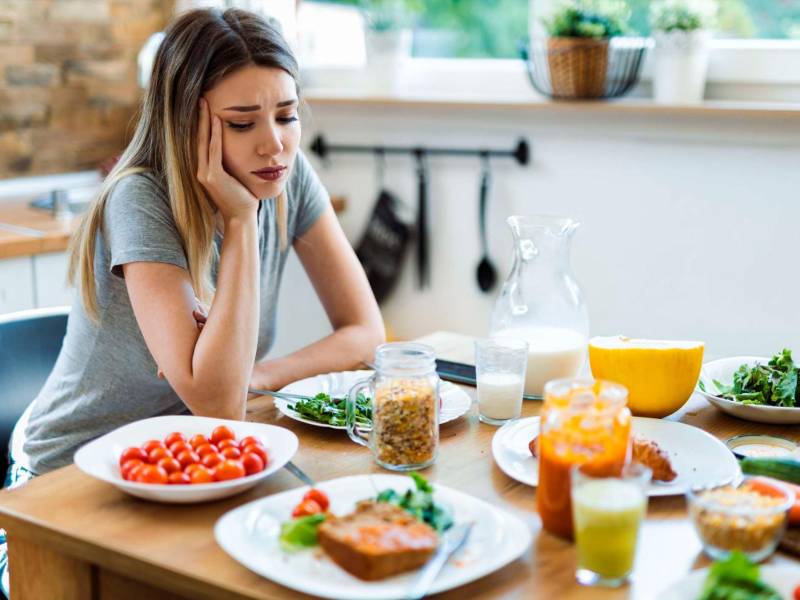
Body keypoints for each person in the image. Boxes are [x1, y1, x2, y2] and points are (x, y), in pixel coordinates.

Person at [16, 6, 384, 479]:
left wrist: (258, 375)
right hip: (69, 474)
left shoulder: (285, 176)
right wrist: (242, 220)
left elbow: (366, 332)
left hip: (187, 458)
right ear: (187, 123)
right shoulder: (140, 199)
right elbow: (219, 406)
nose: (274, 144)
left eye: (286, 115)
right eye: (242, 124)